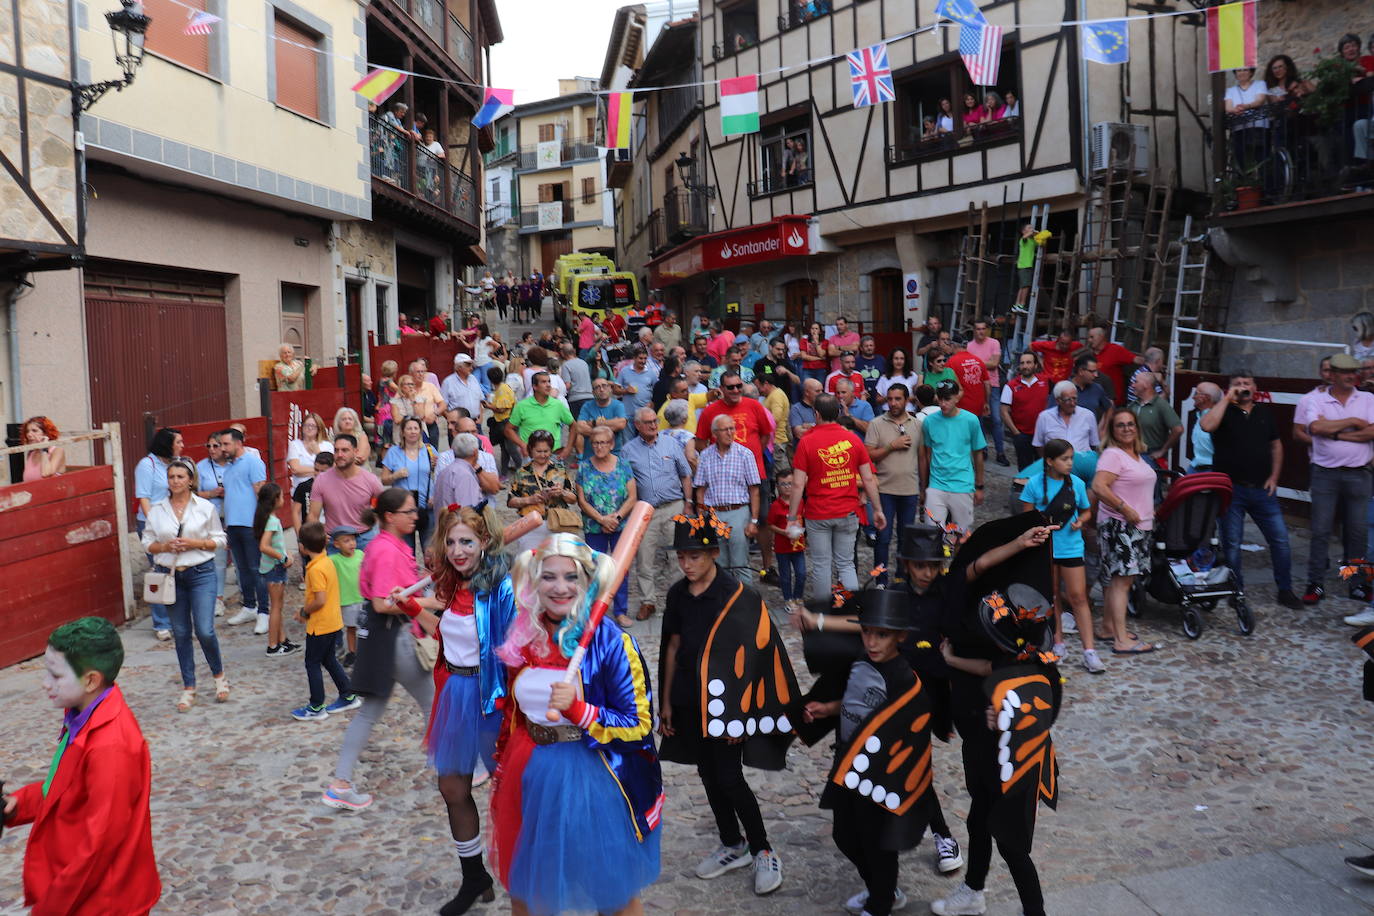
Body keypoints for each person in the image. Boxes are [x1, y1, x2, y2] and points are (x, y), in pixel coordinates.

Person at [490, 535, 662, 916]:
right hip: (529, 771)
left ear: (586, 581)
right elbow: (513, 712)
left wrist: (581, 711)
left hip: (591, 778)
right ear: (534, 582)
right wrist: (503, 762)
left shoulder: (612, 642)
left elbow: (638, 725)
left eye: (571, 577)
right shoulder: (523, 636)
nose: (560, 587)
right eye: (548, 577)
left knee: (611, 894)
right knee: (530, 891)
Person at [659, 513, 785, 897]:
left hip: (727, 707)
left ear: (714, 553)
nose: (686, 563)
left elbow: (754, 658)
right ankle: (733, 843)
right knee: (708, 775)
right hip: (687, 700)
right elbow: (672, 646)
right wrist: (665, 701)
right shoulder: (677, 594)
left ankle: (762, 847)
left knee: (730, 777)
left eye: (694, 556)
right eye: (681, 556)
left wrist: (741, 717)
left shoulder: (738, 596)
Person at [0, 618, 160, 915]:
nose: (45, 683)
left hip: (105, 901)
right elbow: (64, 788)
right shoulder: (81, 714)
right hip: (85, 891)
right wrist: (18, 804)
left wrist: (50, 908)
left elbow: (98, 846)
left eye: (56, 675)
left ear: (90, 680)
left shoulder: (110, 747)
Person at [400, 507, 514, 916]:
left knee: (512, 796)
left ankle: (530, 880)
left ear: (484, 541)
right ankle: (475, 878)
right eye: (450, 542)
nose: (457, 550)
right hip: (454, 692)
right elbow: (447, 633)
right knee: (452, 789)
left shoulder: (500, 587)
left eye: (466, 541)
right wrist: (414, 608)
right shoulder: (453, 584)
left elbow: (512, 649)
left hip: (491, 698)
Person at [805, 589, 929, 916]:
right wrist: (830, 708)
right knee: (844, 834)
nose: (872, 641)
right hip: (848, 761)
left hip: (879, 774)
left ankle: (880, 904)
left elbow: (904, 729)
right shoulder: (861, 659)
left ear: (900, 636)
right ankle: (882, 888)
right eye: (867, 632)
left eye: (882, 635)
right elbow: (857, 701)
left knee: (879, 844)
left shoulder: (904, 680)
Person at [323, 488, 440, 812]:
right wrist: (430, 601)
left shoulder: (386, 546)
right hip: (394, 637)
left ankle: (340, 783)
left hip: (380, 637)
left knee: (370, 712)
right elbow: (385, 602)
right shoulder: (386, 550)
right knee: (435, 704)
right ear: (390, 516)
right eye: (409, 511)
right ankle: (459, 768)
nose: (415, 516)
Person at [1199, 372, 1302, 610]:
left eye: (1247, 383)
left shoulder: (1265, 412)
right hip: (1231, 489)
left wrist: (1275, 477)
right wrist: (1227, 399)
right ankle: (1237, 591)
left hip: (1262, 491)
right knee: (1232, 543)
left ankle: (1285, 590)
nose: (1243, 387)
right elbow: (1206, 425)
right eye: (1237, 384)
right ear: (1229, 388)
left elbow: (1276, 445)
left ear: (1255, 387)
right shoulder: (1222, 411)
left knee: (1280, 540)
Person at [142, 458, 229, 710]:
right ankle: (189, 687)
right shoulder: (158, 509)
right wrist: (164, 546)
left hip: (201, 572)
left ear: (190, 480)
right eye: (172, 477)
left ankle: (219, 676)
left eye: (181, 477)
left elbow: (220, 539)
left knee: (204, 629)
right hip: (171, 575)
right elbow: (147, 541)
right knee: (180, 633)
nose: (176, 481)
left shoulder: (204, 507)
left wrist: (195, 543)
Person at [1293, 352, 1374, 605]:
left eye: (1355, 373)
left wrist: (1335, 433)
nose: (1352, 377)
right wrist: (1352, 422)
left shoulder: (1368, 398)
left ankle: (1356, 584)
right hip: (1325, 474)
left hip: (1359, 473)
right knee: (1320, 530)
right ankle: (1315, 584)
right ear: (1335, 375)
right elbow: (1315, 429)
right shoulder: (1316, 399)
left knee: (1357, 532)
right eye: (1346, 373)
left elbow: (1372, 431)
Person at [1019, 439, 1104, 673]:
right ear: (1050, 461)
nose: (1069, 464)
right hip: (1045, 550)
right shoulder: (1034, 485)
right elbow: (1025, 521)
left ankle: (1090, 651)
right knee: (1053, 596)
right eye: (1064, 459)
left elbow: (1086, 511)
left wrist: (1081, 521)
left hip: (1071, 548)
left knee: (1078, 597)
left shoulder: (1076, 483)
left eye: (1071, 459)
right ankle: (1058, 644)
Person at [790, 395, 884, 599]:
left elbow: (797, 484)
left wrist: (791, 517)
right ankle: (851, 612)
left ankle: (824, 615)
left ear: (816, 414)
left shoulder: (806, 442)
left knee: (821, 564)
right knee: (846, 563)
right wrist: (877, 510)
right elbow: (868, 479)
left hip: (818, 513)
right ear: (839, 413)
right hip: (848, 511)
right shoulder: (853, 440)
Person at [1091, 408, 1159, 655]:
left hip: (1138, 526)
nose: (1127, 428)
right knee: (1121, 582)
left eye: (1131, 424)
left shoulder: (1136, 455)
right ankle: (1121, 640)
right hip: (1121, 525)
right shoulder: (1113, 454)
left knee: (1119, 582)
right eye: (1121, 425)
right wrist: (1124, 508)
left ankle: (1108, 628)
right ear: (1112, 430)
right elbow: (1099, 486)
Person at [623, 407, 694, 621]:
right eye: (648, 422)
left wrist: (688, 503)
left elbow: (685, 475)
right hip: (645, 511)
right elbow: (627, 483)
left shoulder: (671, 443)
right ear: (637, 425)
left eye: (655, 421)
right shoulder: (628, 450)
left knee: (678, 556)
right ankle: (648, 601)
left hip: (674, 506)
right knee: (645, 558)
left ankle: (678, 601)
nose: (654, 425)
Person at [291, 521, 360, 721]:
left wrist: (303, 611)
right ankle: (347, 694)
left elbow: (319, 600)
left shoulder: (314, 569)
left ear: (302, 547)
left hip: (320, 625)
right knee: (328, 659)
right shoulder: (328, 561)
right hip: (334, 622)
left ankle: (316, 706)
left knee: (312, 663)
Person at [576, 427, 638, 629]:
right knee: (595, 569)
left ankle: (620, 611)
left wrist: (616, 517)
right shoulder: (584, 467)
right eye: (595, 443)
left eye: (603, 442)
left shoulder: (623, 465)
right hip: (595, 526)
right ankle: (596, 611)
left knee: (621, 568)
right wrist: (602, 519)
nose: (599, 447)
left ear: (611, 444)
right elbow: (582, 501)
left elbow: (632, 496)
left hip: (620, 525)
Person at [694, 413, 762, 584]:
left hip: (738, 512)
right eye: (726, 429)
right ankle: (722, 603)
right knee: (718, 564)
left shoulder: (745, 454)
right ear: (715, 433)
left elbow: (754, 490)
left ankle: (746, 603)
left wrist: (753, 521)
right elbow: (700, 490)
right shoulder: (705, 456)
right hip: (714, 514)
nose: (730, 433)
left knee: (741, 564)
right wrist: (702, 518)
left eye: (732, 428)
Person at [865, 383, 921, 583]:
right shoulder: (876, 424)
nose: (893, 403)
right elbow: (869, 455)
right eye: (890, 399)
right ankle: (880, 580)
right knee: (883, 538)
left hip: (910, 489)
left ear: (906, 400)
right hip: (885, 490)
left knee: (906, 538)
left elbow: (922, 458)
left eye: (898, 399)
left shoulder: (917, 425)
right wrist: (891, 446)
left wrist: (923, 489)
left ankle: (901, 577)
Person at [219, 428, 270, 638]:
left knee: (256, 569)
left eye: (226, 444)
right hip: (234, 525)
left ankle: (264, 611)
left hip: (251, 524)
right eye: (221, 445)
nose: (222, 449)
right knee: (242, 569)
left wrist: (264, 524)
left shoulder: (253, 462)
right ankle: (249, 606)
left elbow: (262, 493)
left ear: (239, 443)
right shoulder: (228, 469)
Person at [135, 427, 184, 638]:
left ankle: (177, 618)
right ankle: (161, 623)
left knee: (178, 568)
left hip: (173, 521)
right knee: (160, 569)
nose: (182, 445)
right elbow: (144, 497)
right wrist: (153, 523)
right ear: (167, 444)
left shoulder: (173, 464)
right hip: (152, 524)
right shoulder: (148, 465)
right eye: (178, 442)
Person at [920, 380, 986, 531]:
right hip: (936, 485)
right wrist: (924, 487)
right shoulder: (929, 421)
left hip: (962, 484)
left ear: (957, 397)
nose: (943, 403)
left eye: (947, 399)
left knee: (961, 535)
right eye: (940, 398)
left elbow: (978, 455)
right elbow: (927, 455)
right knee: (932, 532)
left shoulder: (971, 420)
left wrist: (979, 485)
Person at [507, 430, 578, 554]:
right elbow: (510, 501)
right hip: (530, 526)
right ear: (530, 450)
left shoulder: (559, 470)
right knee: (529, 562)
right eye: (539, 451)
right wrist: (529, 500)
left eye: (546, 451)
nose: (543, 455)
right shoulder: (522, 472)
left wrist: (562, 493)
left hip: (557, 524)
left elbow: (573, 499)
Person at [309, 435, 383, 553]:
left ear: (355, 451)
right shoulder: (321, 480)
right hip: (335, 542)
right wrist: (319, 532)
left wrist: (376, 521)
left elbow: (385, 505)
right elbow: (313, 515)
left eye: (345, 450)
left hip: (364, 539)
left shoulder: (370, 479)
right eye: (336, 450)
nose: (339, 455)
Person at [254, 483, 299, 658]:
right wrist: (283, 558)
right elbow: (264, 546)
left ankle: (283, 640)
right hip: (274, 569)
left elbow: (274, 544)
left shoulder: (267, 518)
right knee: (275, 608)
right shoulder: (272, 521)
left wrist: (284, 553)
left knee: (277, 607)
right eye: (281, 496)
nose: (283, 499)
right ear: (274, 500)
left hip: (273, 568)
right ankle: (273, 645)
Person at [381, 417, 437, 554]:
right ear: (403, 432)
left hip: (426, 507)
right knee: (406, 551)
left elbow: (440, 475)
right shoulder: (393, 452)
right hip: (402, 509)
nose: (413, 432)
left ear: (420, 431)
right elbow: (383, 480)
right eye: (409, 428)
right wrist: (395, 476)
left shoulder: (429, 450)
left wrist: (436, 496)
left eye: (416, 428)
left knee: (430, 551)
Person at [1033, 380, 1101, 481]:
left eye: (1075, 398)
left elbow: (1094, 444)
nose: (1072, 403)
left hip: (1083, 470)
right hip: (1055, 470)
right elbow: (1039, 445)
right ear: (1058, 400)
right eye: (1068, 400)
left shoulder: (1088, 415)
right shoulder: (1044, 417)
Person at [196, 433, 231, 616]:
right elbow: (193, 493)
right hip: (213, 517)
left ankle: (247, 596)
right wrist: (211, 493)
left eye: (215, 446)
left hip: (233, 515)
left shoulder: (234, 464)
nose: (212, 450)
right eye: (208, 446)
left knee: (241, 559)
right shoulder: (201, 467)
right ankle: (218, 598)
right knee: (219, 560)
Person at [506, 372, 575, 463]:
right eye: (544, 382)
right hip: (531, 456)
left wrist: (568, 448)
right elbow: (508, 429)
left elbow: (573, 425)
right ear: (535, 386)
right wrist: (522, 445)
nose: (548, 385)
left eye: (549, 382)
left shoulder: (558, 405)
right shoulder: (522, 406)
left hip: (554, 455)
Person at [1000, 351, 1049, 471]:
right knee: (1025, 470)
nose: (1025, 366)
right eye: (1022, 363)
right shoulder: (1011, 386)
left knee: (1043, 469)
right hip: (1022, 436)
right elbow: (1004, 412)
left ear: (1036, 365)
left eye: (1028, 362)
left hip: (1043, 435)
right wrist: (1016, 434)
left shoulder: (1046, 381)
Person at [967, 320, 1006, 465]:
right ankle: (983, 449)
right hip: (976, 385)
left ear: (987, 330)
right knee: (979, 419)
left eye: (983, 329)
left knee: (996, 419)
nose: (981, 332)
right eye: (978, 329)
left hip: (993, 384)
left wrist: (976, 362)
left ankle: (1000, 452)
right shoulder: (969, 346)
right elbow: (984, 365)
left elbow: (994, 364)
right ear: (974, 330)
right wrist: (985, 362)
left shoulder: (994, 343)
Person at [287, 411, 329, 538]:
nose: (309, 428)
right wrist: (319, 470)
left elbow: (332, 468)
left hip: (323, 489)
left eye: (313, 426)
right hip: (300, 490)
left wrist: (317, 452)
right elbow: (295, 469)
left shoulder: (326, 445)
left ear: (319, 428)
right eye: (306, 425)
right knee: (302, 520)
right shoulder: (295, 444)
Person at [1128, 371, 1182, 468]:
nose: (1132, 385)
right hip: (1131, 452)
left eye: (1136, 382)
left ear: (1146, 385)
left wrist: (1163, 450)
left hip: (1150, 456)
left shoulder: (1161, 405)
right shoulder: (1133, 405)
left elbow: (1178, 429)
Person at [330, 525, 366, 666]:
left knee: (364, 628)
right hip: (347, 600)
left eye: (353, 540)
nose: (351, 543)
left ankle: (365, 652)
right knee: (351, 628)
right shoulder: (334, 560)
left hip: (362, 598)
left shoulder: (360, 555)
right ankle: (352, 652)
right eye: (346, 541)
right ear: (337, 544)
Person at [575, 376, 628, 462]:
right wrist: (609, 429)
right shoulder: (587, 406)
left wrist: (594, 423)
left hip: (614, 456)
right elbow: (580, 428)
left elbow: (621, 424)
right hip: (590, 457)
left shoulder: (618, 405)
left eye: (604, 386)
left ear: (610, 389)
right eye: (597, 387)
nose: (602, 389)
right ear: (593, 392)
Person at [1086, 325, 1137, 402]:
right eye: (1089, 337)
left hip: (1112, 401)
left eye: (1092, 337)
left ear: (1101, 337)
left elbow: (1136, 359)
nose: (1089, 340)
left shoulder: (1115, 350)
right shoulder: (1089, 355)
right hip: (1094, 400)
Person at [948, 336, 991, 423]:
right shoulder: (978, 360)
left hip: (961, 408)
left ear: (953, 345)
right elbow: (987, 384)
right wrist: (986, 402)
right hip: (978, 406)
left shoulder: (951, 362)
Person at [1012, 225, 1050, 313]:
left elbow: (1042, 244)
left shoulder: (1032, 241)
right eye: (1029, 228)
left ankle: (1017, 305)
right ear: (1024, 231)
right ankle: (1021, 305)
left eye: (1032, 227)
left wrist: (1041, 236)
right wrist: (1033, 232)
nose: (1031, 229)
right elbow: (1024, 237)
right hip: (1024, 265)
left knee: (1022, 286)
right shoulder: (1023, 240)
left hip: (1027, 265)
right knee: (1026, 286)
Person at [1188, 382, 1222, 472]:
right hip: (1194, 467)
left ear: (1206, 398)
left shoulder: (1218, 419)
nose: (1193, 397)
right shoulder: (1197, 415)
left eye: (1196, 393)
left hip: (1211, 469)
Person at [443, 354, 486, 424]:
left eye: (471, 365)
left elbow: (479, 400)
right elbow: (442, 406)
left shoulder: (473, 379)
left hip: (475, 422)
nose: (471, 368)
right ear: (459, 367)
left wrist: (481, 418)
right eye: (468, 365)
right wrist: (452, 421)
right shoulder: (448, 382)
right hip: (458, 424)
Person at [21, 415, 65, 480]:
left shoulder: (57, 450)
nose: (29, 435)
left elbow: (46, 473)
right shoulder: (31, 453)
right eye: (27, 431)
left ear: (46, 433)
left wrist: (44, 449)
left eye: (34, 431)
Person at [559, 343, 594, 421]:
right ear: (573, 351)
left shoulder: (566, 365)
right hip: (590, 396)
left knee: (579, 425)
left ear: (562, 353)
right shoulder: (583, 363)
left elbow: (567, 385)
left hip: (576, 399)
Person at [853, 335, 886, 403]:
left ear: (874, 347)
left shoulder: (881, 359)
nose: (869, 348)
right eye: (866, 346)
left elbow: (886, 377)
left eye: (871, 345)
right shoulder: (856, 361)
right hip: (861, 399)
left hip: (878, 399)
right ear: (861, 348)